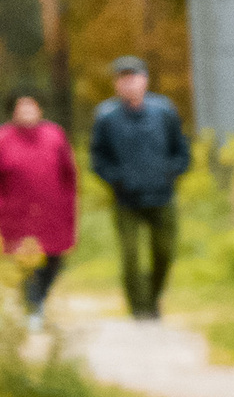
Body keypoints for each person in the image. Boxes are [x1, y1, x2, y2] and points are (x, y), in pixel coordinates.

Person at [88, 56, 192, 321]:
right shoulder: (106, 117)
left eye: (134, 77)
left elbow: (181, 149)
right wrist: (116, 180)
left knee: (164, 251)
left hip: (161, 195)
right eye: (123, 78)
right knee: (131, 257)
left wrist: (171, 173)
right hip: (126, 200)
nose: (129, 83)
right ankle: (140, 308)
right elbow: (98, 158)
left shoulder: (164, 111)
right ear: (116, 84)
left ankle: (153, 297)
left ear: (144, 80)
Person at [0, 90, 78, 316]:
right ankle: (33, 309)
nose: (26, 111)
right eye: (21, 107)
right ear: (13, 111)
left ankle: (38, 300)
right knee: (27, 263)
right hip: (17, 213)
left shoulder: (54, 134)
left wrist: (69, 204)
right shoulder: (4, 138)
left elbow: (69, 173)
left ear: (39, 109)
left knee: (54, 260)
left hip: (53, 210)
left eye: (31, 106)